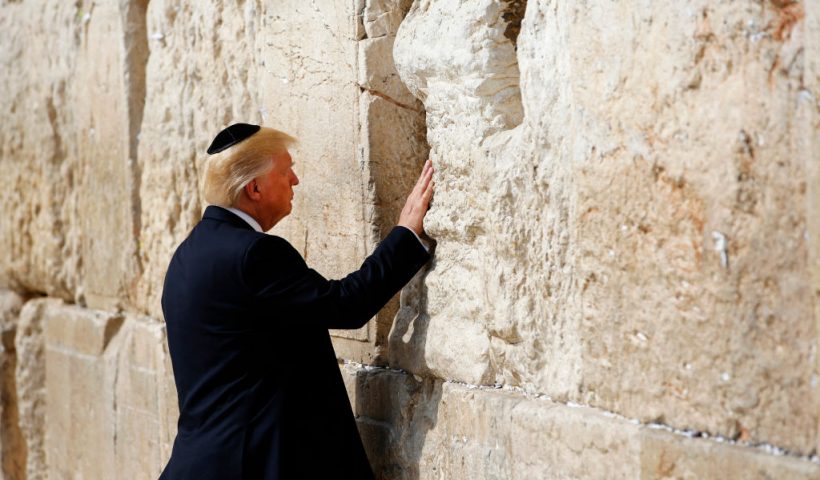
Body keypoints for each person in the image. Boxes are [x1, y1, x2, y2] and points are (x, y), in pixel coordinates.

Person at [158, 123, 435, 479]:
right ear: (254, 187)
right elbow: (345, 305)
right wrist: (406, 234)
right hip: (254, 466)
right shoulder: (253, 255)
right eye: (286, 170)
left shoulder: (187, 255)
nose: (295, 181)